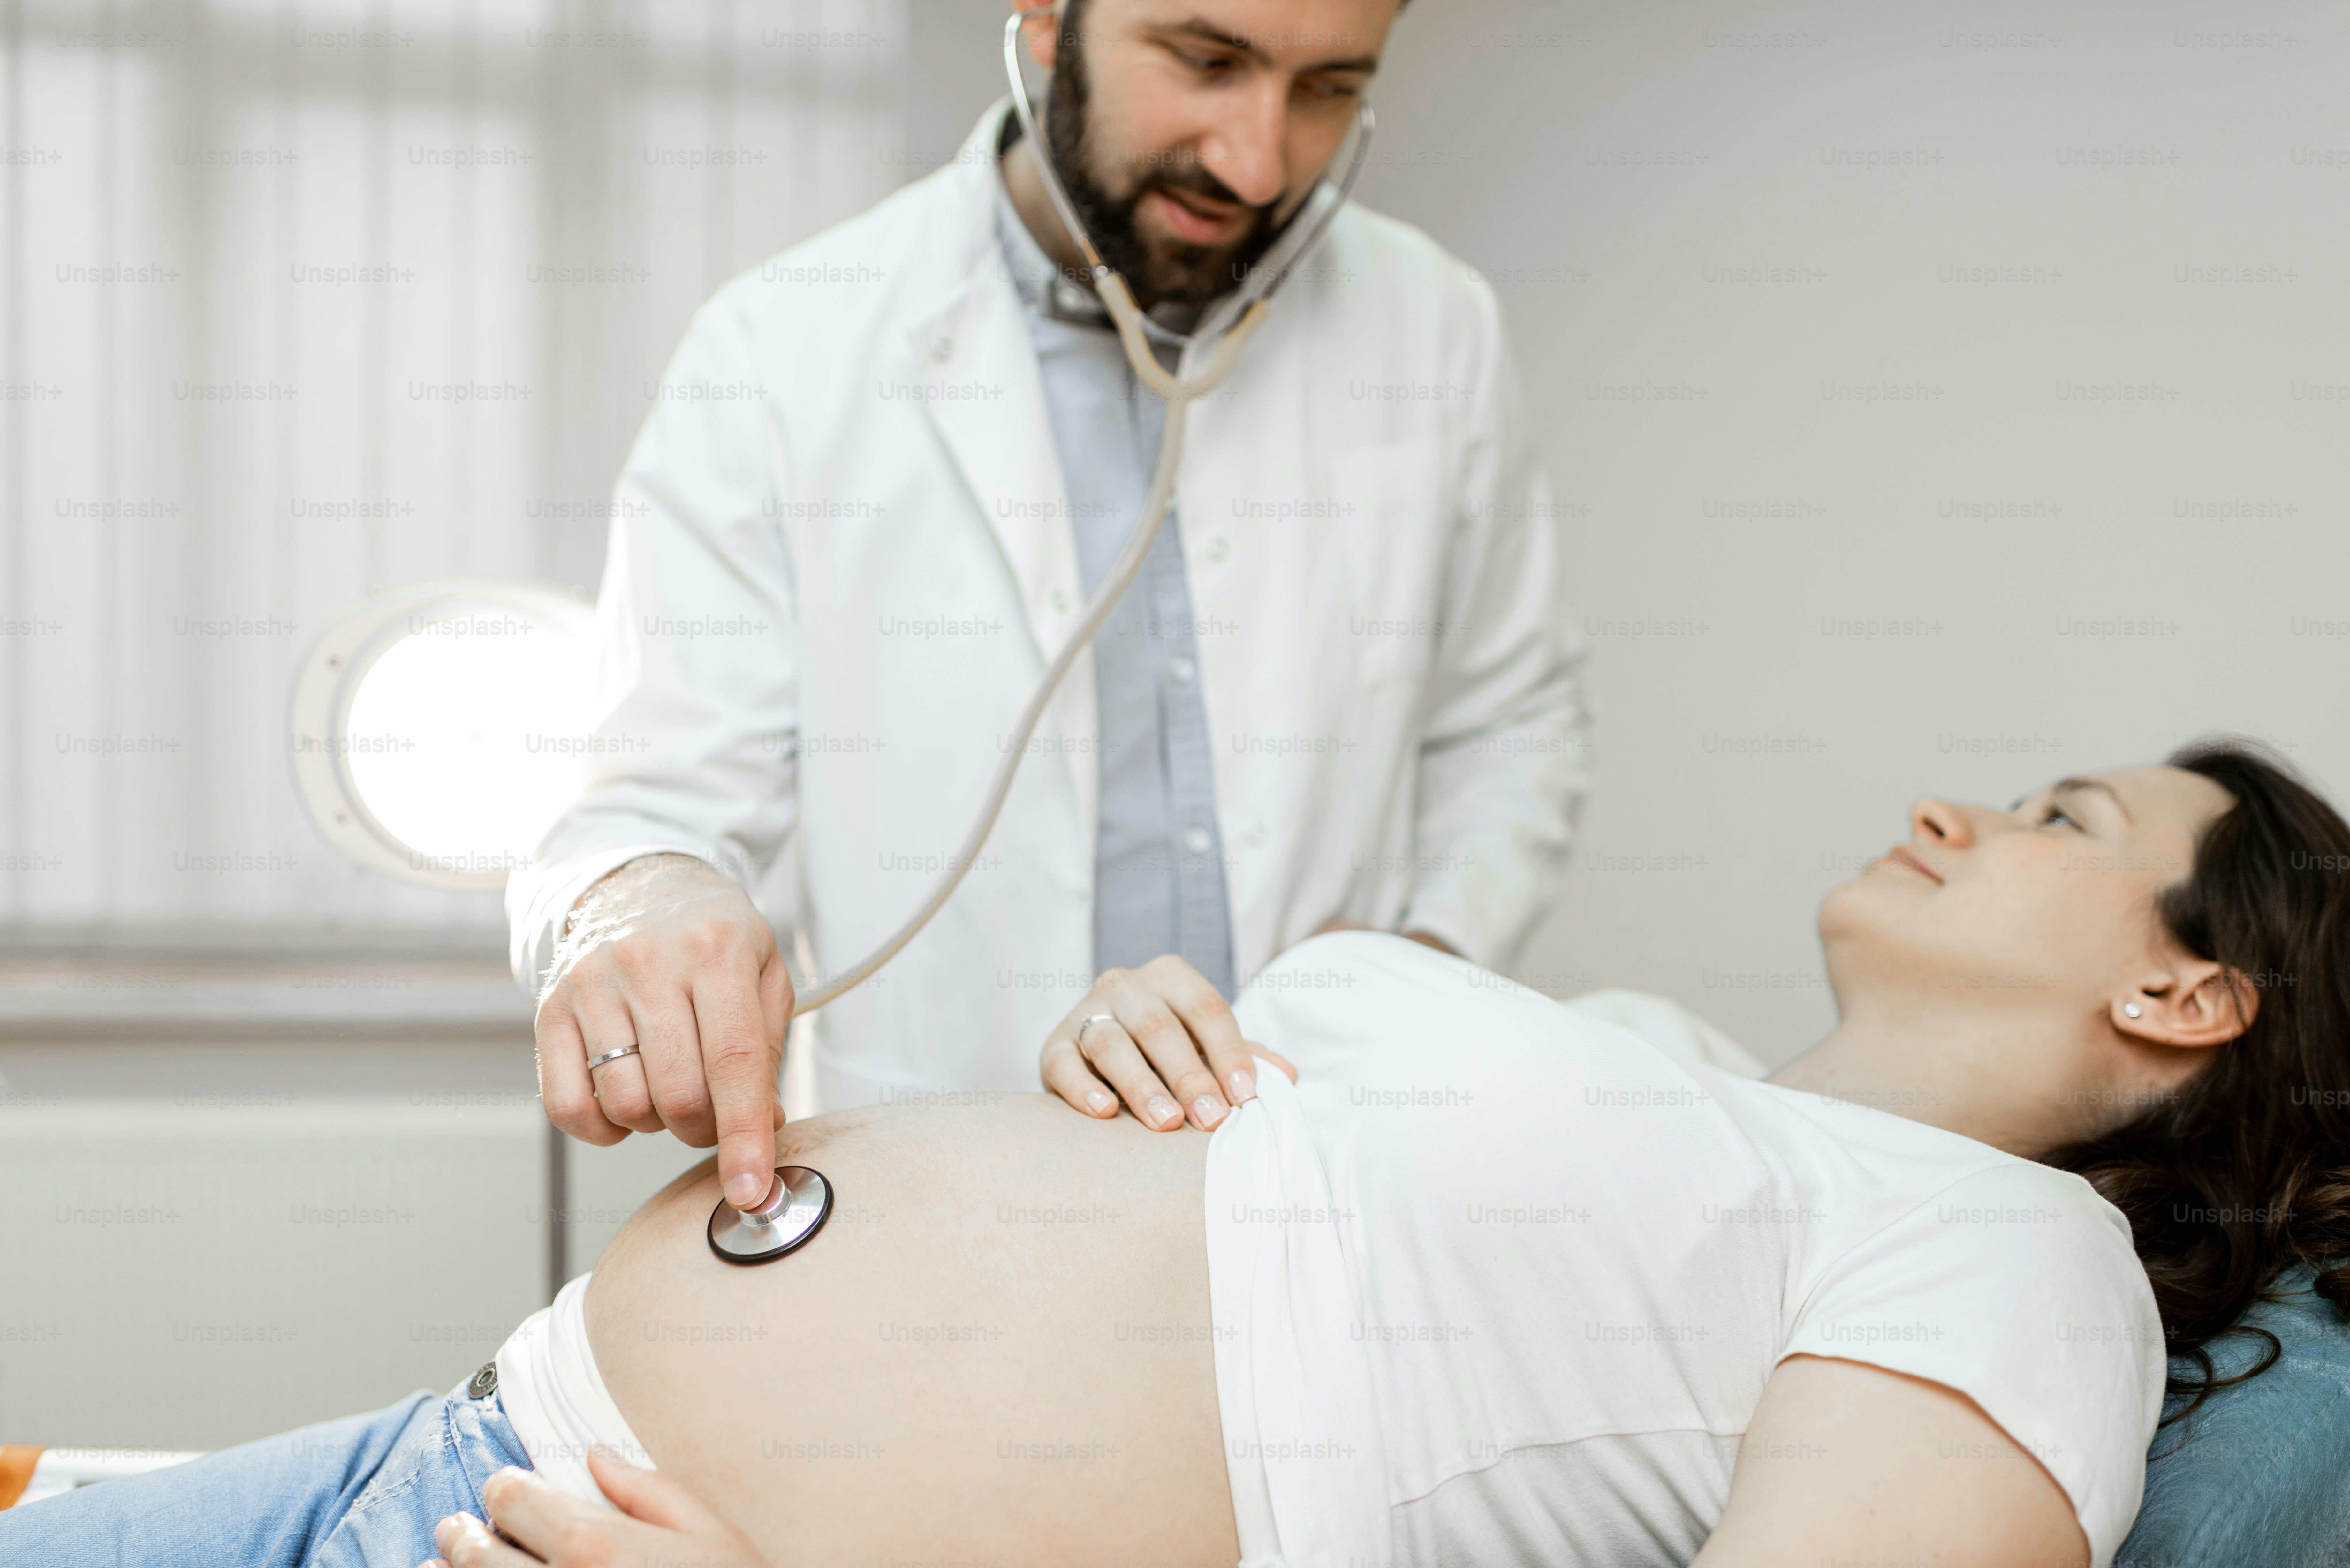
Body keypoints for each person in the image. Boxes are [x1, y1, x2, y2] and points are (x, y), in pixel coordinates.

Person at [15, 741, 2343, 1568]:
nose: (1958, 799)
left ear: (2190, 992)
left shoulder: (2013, 1259)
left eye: (2060, 817)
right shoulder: (1633, 1058)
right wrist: (1163, 1052)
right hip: (438, 1439)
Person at [503, 0, 1588, 1222]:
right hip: (951, 1196)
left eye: (1330, 87)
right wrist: (642, 898)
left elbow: (1516, 720)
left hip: (1328, 1172)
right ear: (1044, 15)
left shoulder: (1432, 325)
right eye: (1206, 61)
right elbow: (650, 793)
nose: (1259, 161)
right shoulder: (785, 349)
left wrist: (1420, 960)